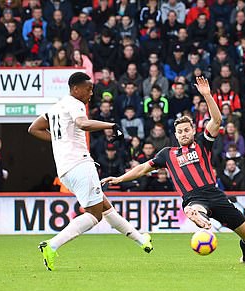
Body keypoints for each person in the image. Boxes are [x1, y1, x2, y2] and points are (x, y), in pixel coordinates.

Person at [102, 77, 245, 265]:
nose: (183, 134)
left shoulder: (203, 144)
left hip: (215, 194)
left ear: (192, 131)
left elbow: (216, 120)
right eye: (180, 131)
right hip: (193, 197)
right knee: (195, 208)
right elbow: (142, 169)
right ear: (175, 135)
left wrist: (207, 95)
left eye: (186, 130)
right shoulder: (167, 154)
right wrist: (119, 179)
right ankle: (198, 215)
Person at [28, 72, 153, 271]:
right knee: (95, 215)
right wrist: (111, 125)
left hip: (65, 170)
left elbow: (33, 128)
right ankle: (52, 245)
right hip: (80, 165)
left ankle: (141, 240)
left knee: (104, 206)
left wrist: (61, 141)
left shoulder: (56, 108)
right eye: (88, 89)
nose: (91, 93)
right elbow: (82, 124)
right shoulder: (75, 104)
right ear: (75, 89)